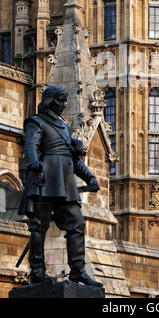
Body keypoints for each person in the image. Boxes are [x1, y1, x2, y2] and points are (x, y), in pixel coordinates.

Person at [19, 85, 102, 287]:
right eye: (60, 101)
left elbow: (73, 160)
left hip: (65, 183)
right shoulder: (36, 122)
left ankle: (78, 271)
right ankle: (37, 272)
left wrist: (90, 177)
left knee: (77, 224)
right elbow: (31, 145)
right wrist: (33, 162)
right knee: (39, 227)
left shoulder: (64, 127)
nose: (63, 105)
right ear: (49, 101)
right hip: (45, 180)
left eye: (65, 101)